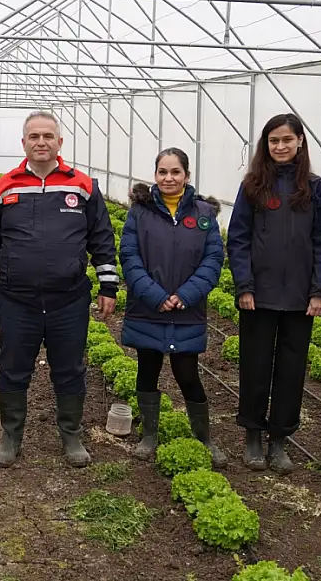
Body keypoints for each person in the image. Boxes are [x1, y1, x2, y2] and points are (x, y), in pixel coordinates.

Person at [0, 111, 118, 469]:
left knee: (69, 368)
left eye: (48, 136)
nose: (41, 142)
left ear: (59, 143)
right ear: (23, 143)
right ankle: (11, 435)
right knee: (12, 367)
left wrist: (108, 284)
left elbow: (101, 237)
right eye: (34, 136)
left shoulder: (82, 186)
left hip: (68, 299)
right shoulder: (3, 187)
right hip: (17, 299)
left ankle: (70, 433)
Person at [226, 113, 321, 474]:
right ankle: (253, 436)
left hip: (301, 299)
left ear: (300, 141)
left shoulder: (314, 188)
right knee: (255, 367)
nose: (281, 146)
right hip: (258, 296)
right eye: (274, 141)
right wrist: (245, 285)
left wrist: (319, 290)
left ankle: (280, 439)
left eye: (287, 139)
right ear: (265, 145)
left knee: (291, 370)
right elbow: (238, 238)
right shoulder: (253, 185)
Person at [120, 148, 227, 467]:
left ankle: (205, 439)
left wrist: (185, 294)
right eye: (162, 172)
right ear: (155, 175)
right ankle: (149, 435)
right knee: (147, 370)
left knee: (187, 374)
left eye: (175, 172)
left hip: (187, 311)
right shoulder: (139, 213)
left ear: (187, 176)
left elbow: (213, 259)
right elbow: (129, 256)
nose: (169, 178)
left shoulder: (204, 213)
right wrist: (154, 295)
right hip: (147, 309)